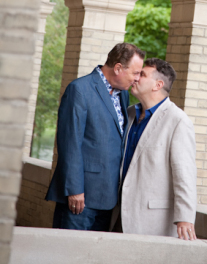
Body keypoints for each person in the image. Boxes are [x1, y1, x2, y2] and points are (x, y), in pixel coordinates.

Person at [46, 43, 145, 231]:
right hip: (80, 197)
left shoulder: (123, 95)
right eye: (135, 73)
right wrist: (75, 190)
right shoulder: (80, 90)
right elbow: (70, 144)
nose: (137, 79)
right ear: (118, 68)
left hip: (107, 197)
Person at [116, 58, 197, 239]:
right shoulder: (128, 114)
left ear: (157, 85)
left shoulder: (178, 121)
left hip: (150, 220)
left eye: (142, 75)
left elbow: (184, 174)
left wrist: (185, 217)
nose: (136, 78)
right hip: (117, 214)